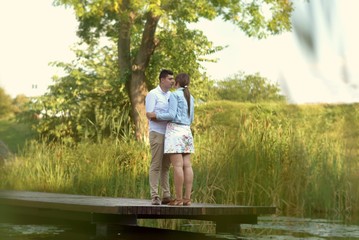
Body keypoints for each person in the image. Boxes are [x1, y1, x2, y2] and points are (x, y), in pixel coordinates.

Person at [147, 73, 195, 206]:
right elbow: (191, 119)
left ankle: (178, 200)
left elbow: (171, 114)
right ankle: (187, 199)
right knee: (188, 165)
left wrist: (156, 115)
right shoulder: (191, 97)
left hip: (175, 132)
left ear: (177, 82)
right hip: (187, 131)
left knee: (177, 166)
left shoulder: (174, 95)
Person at [145, 69, 174, 205]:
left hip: (169, 134)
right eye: (169, 79)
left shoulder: (171, 96)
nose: (172, 81)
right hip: (157, 133)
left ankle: (166, 195)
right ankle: (155, 195)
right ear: (162, 80)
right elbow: (150, 115)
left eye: (173, 79)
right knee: (156, 164)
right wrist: (166, 117)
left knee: (166, 166)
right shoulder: (153, 94)